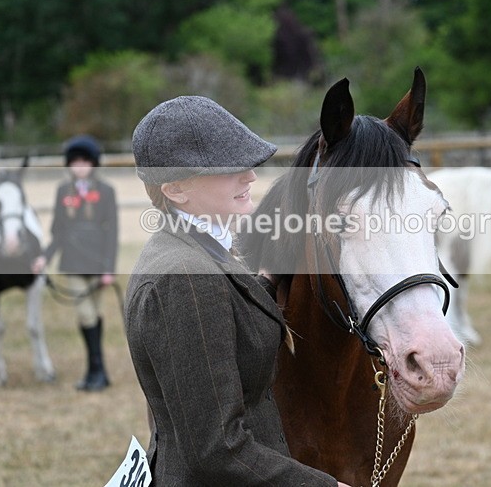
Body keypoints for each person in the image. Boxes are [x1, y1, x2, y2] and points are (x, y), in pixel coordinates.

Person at [125, 96, 349, 486]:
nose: (250, 177)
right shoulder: (185, 280)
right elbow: (216, 451)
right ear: (176, 188)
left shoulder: (194, 249)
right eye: (230, 168)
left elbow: (223, 320)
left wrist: (267, 279)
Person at [32, 135, 118, 391]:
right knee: (85, 313)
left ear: (92, 164)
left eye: (84, 161)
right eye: (75, 162)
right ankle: (97, 370)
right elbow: (58, 231)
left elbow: (112, 231)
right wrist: (44, 258)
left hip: (97, 262)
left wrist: (109, 268)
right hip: (72, 263)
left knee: (94, 314)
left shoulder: (106, 191)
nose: (79, 166)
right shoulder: (62, 192)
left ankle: (96, 371)